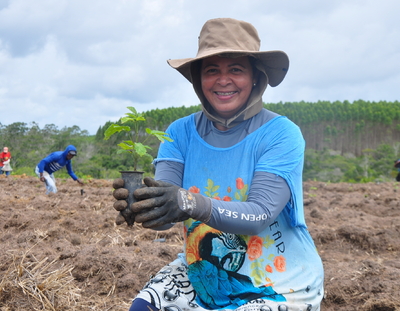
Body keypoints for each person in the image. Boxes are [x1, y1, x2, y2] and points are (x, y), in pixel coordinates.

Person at [113, 18, 324, 311]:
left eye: (236, 69)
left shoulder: (280, 134)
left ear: (255, 77)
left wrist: (190, 203)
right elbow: (169, 211)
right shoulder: (179, 133)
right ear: (199, 79)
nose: (223, 80)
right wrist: (142, 205)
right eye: (212, 70)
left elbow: (260, 214)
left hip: (277, 281)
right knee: (142, 307)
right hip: (205, 273)